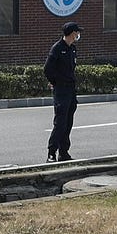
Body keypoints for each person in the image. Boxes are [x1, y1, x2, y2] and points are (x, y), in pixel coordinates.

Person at [44, 21, 82, 162]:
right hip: (61, 90)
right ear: (72, 33)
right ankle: (51, 153)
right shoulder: (57, 48)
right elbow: (48, 69)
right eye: (77, 32)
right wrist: (55, 82)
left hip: (71, 90)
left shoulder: (72, 49)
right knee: (60, 123)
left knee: (68, 122)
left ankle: (64, 152)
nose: (78, 34)